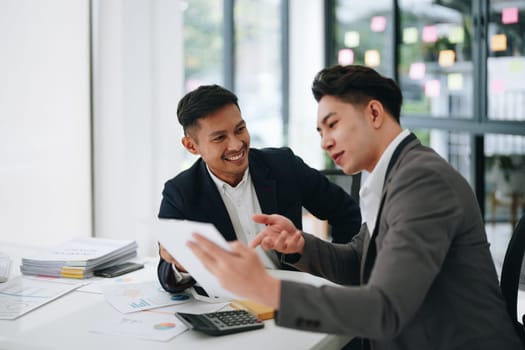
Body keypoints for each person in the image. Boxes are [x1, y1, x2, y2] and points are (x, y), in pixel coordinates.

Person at [187, 65, 523, 349]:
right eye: (320, 131)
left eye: (332, 124)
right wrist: (300, 246)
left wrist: (264, 288)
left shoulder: (422, 181)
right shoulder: (391, 177)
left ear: (374, 113)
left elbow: (385, 309)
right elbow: (358, 263)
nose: (324, 141)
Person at [157, 84, 361, 293]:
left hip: (290, 296)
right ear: (192, 146)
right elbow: (167, 274)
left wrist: (339, 272)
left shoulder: (283, 165)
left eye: (240, 130)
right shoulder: (180, 192)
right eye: (220, 138)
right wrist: (182, 265)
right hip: (226, 303)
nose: (236, 145)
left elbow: (346, 212)